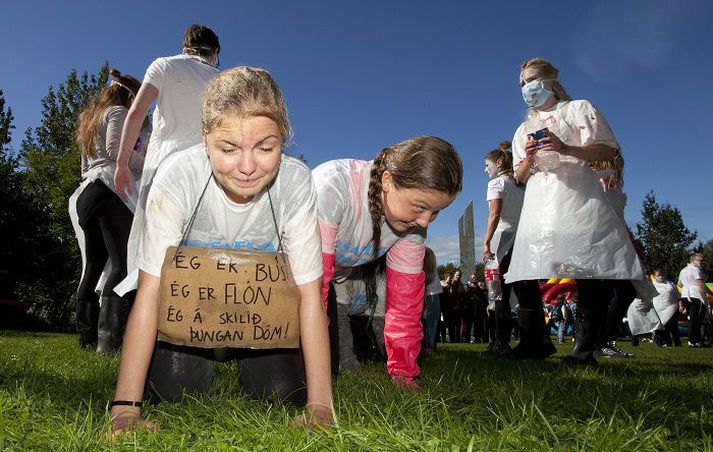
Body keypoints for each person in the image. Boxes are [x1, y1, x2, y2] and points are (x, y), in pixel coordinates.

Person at [109, 67, 333, 435]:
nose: (247, 168)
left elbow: (310, 295)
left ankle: (251, 364)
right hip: (191, 314)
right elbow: (150, 292)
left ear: (283, 138)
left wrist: (321, 405)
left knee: (280, 393)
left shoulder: (295, 183)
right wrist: (125, 408)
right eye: (228, 149)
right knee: (175, 392)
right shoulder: (178, 177)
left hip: (259, 315)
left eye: (266, 147)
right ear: (205, 139)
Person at [506, 57, 644, 365]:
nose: (528, 88)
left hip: (578, 198)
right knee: (523, 269)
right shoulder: (523, 128)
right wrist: (528, 158)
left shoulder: (578, 109)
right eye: (522, 84)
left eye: (532, 80)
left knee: (588, 269)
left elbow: (608, 150)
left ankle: (584, 350)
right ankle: (534, 341)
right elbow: (518, 176)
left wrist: (566, 148)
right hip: (540, 204)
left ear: (550, 81)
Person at [313, 136, 463, 392]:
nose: (425, 222)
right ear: (387, 181)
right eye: (420, 207)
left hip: (333, 283)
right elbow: (314, 286)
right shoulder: (333, 186)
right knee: (290, 382)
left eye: (436, 212)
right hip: (287, 277)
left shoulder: (412, 226)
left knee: (333, 362)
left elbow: (404, 305)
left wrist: (403, 373)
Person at [113, 24, 220, 295]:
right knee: (196, 247)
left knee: (154, 246)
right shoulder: (222, 81)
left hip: (163, 167)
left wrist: (122, 164)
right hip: (204, 170)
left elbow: (136, 113)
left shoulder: (163, 66)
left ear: (184, 45)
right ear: (215, 51)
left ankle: (147, 322)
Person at [70, 69, 142, 353]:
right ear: (127, 95)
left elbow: (85, 168)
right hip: (110, 192)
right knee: (122, 265)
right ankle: (109, 342)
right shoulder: (118, 112)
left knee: (94, 266)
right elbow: (115, 151)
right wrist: (143, 161)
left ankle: (85, 340)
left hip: (87, 194)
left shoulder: (89, 121)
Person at [482, 140, 524, 355]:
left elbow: (494, 214)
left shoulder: (496, 184)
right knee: (519, 294)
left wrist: (486, 241)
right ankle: (508, 339)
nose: (485, 169)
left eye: (487, 165)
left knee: (497, 294)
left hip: (501, 242)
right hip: (521, 240)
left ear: (498, 162)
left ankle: (500, 341)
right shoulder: (519, 185)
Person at [678, 253, 712, 347]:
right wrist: (708, 295)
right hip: (695, 295)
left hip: (685, 295)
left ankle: (695, 340)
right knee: (697, 320)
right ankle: (693, 340)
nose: (701, 262)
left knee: (692, 319)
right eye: (699, 260)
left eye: (701, 261)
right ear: (693, 261)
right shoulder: (695, 269)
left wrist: (688, 285)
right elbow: (701, 284)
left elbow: (680, 284)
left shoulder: (683, 270)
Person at [651, 269, 681, 347]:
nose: (660, 277)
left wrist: (680, 304)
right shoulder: (652, 284)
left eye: (661, 275)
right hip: (658, 308)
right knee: (660, 326)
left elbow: (677, 295)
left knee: (673, 326)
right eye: (658, 275)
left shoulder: (670, 283)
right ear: (654, 276)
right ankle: (661, 342)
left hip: (672, 307)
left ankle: (676, 343)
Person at [422, 247, 442, 353]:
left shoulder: (427, 253)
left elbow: (432, 315)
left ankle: (429, 345)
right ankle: (427, 345)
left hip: (431, 292)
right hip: (424, 290)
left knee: (431, 316)